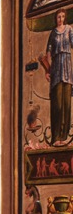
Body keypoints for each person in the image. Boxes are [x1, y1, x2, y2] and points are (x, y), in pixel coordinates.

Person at [43, 8, 73, 146]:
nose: (60, 19)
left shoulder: (69, 29)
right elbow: (48, 52)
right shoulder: (53, 33)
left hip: (67, 67)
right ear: (56, 18)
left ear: (65, 17)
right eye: (58, 17)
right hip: (56, 69)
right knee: (57, 104)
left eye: (62, 16)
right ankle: (56, 137)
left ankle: (64, 136)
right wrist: (47, 70)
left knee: (66, 103)